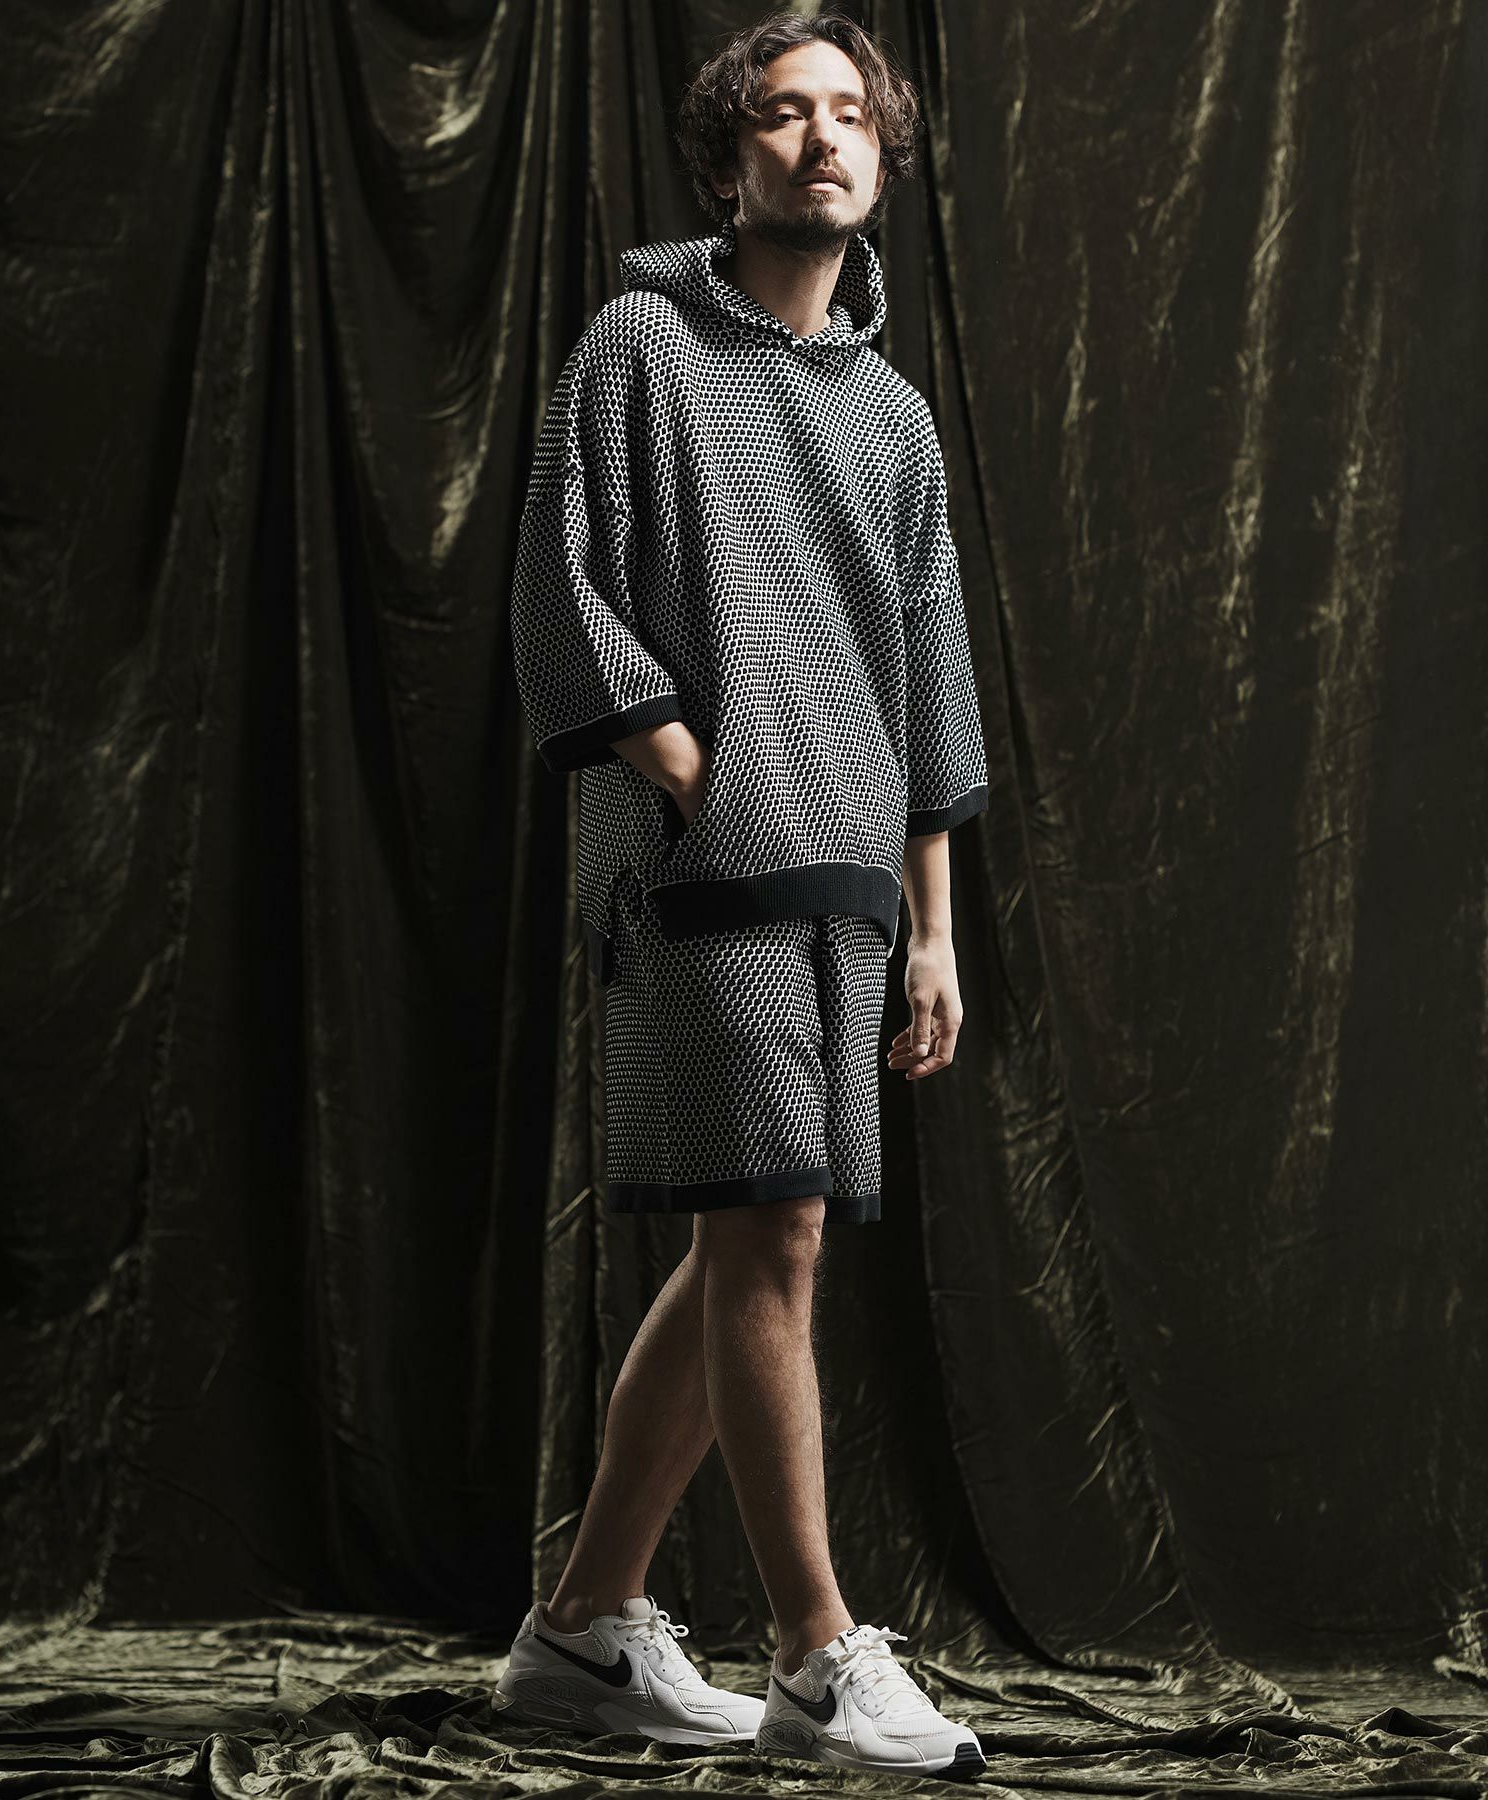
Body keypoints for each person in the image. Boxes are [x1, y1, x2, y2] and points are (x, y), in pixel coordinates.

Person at [496, 9, 990, 1779]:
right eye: (783, 114)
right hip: (702, 864)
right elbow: (562, 589)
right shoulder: (641, 340)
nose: (822, 138)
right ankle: (815, 1652)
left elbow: (928, 681)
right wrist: (708, 782)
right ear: (729, 157)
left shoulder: (895, 417)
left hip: (852, 883)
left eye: (850, 112)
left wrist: (933, 928)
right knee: (770, 1233)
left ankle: (583, 1627)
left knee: (746, 1244)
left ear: (883, 154)